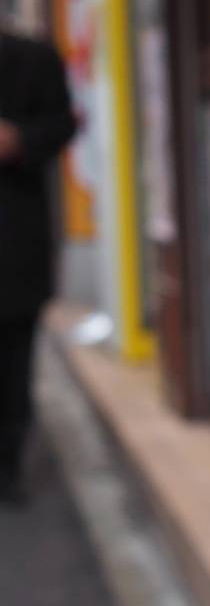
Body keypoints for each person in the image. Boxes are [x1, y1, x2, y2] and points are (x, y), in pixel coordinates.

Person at [0, 27, 77, 505]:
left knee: (13, 364)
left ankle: (8, 467)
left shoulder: (33, 59)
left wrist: (19, 141)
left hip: (15, 245)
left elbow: (63, 124)